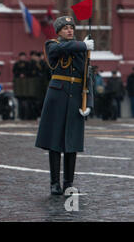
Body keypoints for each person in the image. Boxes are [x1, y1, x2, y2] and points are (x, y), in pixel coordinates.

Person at [35, 16, 94, 195]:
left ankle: (68, 183)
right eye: (65, 28)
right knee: (55, 142)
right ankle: (54, 183)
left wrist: (89, 103)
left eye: (71, 27)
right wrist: (83, 46)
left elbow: (87, 75)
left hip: (76, 97)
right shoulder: (52, 44)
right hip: (57, 97)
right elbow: (61, 49)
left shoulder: (81, 48)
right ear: (58, 31)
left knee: (72, 142)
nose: (69, 30)